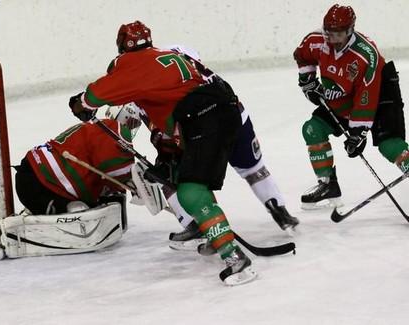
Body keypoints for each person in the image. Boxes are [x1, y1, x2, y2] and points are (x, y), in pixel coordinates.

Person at [70, 20, 257, 285]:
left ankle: (234, 257)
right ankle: (213, 235)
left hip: (203, 118)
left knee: (190, 191)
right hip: (225, 111)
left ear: (122, 47)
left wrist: (81, 103)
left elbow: (96, 94)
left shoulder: (131, 63)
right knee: (188, 177)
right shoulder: (166, 55)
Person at [150, 46, 298, 248]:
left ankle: (206, 227)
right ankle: (280, 211)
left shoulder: (163, 83)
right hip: (236, 114)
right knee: (253, 169)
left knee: (191, 179)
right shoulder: (190, 62)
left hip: (205, 127)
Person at [0, 105, 141, 260]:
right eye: (131, 122)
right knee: (77, 210)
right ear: (118, 118)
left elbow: (112, 181)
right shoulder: (108, 132)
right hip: (37, 182)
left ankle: (32, 217)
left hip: (36, 180)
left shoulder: (95, 131)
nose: (131, 129)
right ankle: (2, 235)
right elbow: (116, 170)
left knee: (86, 206)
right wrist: (135, 182)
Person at [293, 4, 408, 209]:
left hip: (380, 94)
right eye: (329, 33)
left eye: (338, 35)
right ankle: (328, 185)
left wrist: (358, 131)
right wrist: (307, 79)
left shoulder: (365, 54)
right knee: (312, 129)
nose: (332, 40)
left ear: (350, 30)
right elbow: (302, 55)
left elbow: (367, 94)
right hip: (343, 96)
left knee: (389, 145)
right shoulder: (317, 41)